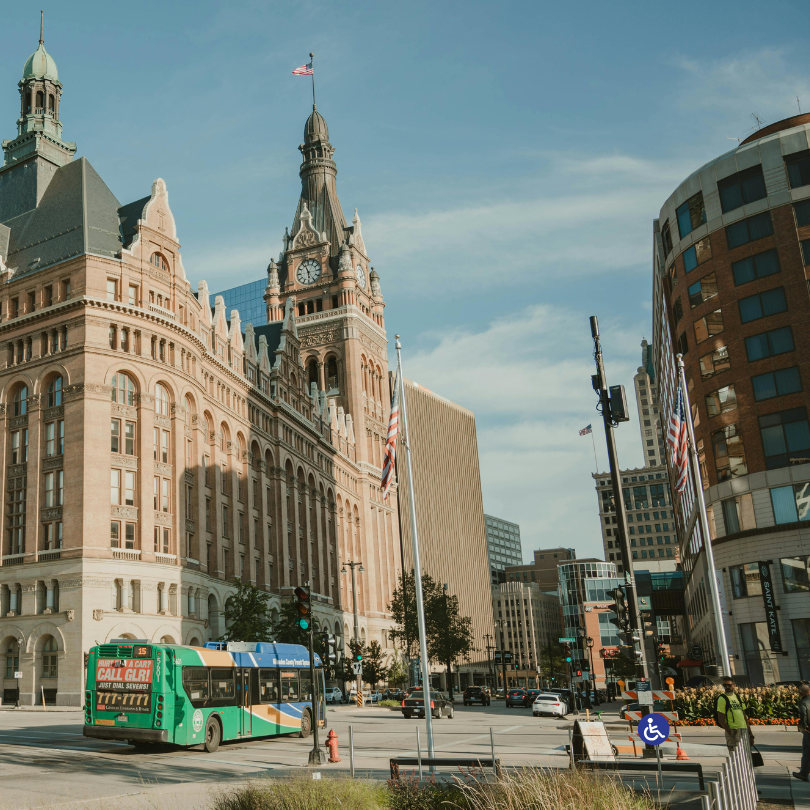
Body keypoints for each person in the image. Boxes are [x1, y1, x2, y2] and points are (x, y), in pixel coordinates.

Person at [715, 676, 754, 755]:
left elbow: (744, 717)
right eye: (725, 685)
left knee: (746, 755)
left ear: (734, 685)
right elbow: (721, 720)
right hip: (733, 730)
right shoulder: (722, 699)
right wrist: (730, 733)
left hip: (743, 729)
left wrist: (750, 734)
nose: (727, 687)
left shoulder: (738, 697)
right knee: (735, 756)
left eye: (729, 685)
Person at [793, 683, 810, 782]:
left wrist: (804, 726)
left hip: (809, 729)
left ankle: (803, 774)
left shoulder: (802, 702)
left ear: (801, 693)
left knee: (807, 752)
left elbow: (803, 713)